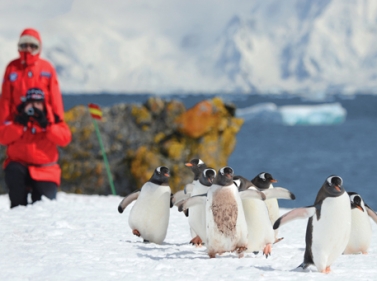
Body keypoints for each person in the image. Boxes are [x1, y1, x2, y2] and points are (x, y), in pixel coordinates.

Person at [0, 28, 72, 208]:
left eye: (32, 45)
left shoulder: (47, 69)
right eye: (24, 45)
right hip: (18, 160)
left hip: (45, 163)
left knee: (45, 209)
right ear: (18, 46)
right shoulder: (12, 68)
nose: (28, 49)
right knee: (18, 205)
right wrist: (20, 123)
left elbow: (63, 133)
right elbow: (3, 125)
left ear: (39, 47)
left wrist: (46, 124)